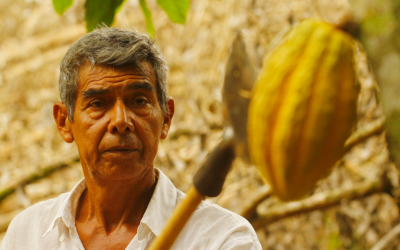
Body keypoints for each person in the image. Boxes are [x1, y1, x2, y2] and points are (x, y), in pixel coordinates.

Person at [0, 27, 261, 250]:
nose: (121, 121)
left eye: (139, 101)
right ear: (64, 122)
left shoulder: (223, 240)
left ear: (166, 118)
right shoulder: (27, 235)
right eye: (98, 103)